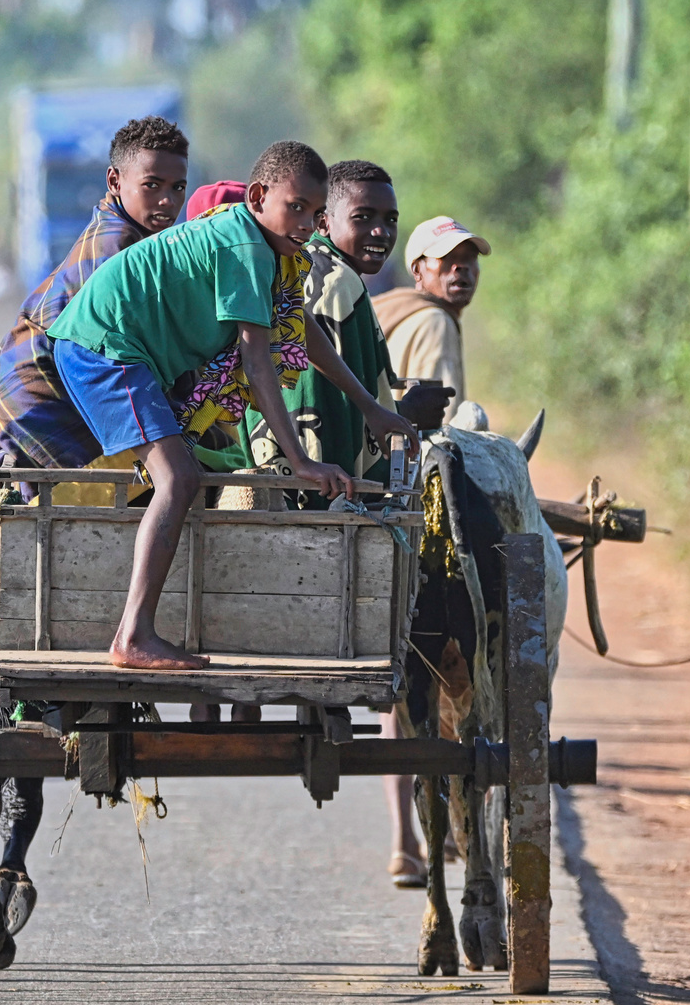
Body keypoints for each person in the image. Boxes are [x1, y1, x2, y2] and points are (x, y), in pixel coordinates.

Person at [46, 140, 420, 671]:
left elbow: (300, 332)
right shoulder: (246, 245)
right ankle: (132, 637)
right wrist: (301, 461)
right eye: (297, 208)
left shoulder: (268, 249)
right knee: (178, 479)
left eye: (317, 214)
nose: (308, 225)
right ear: (259, 196)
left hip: (127, 354)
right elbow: (258, 359)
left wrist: (368, 406)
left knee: (183, 476)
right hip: (103, 347)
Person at [208, 160, 451, 496]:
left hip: (267, 463)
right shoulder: (338, 283)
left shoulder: (299, 264)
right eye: (363, 217)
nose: (381, 231)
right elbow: (318, 404)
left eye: (390, 220)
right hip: (316, 486)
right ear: (323, 221)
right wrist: (404, 412)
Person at [0, 116, 191, 475]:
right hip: (38, 405)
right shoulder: (117, 248)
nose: (167, 201)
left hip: (31, 397)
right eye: (152, 186)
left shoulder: (124, 233)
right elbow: (134, 357)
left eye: (177, 188)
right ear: (115, 181)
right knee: (181, 469)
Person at [372, 216, 491, 423]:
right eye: (447, 256)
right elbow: (439, 426)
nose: (461, 266)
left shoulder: (397, 315)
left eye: (470, 257)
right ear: (417, 270)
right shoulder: (436, 322)